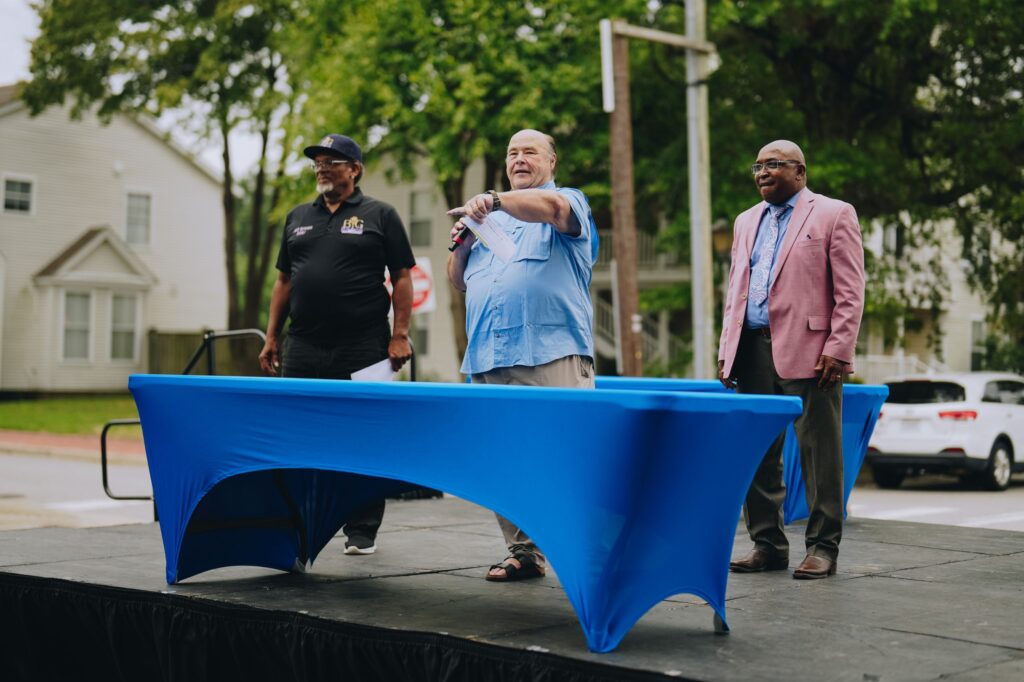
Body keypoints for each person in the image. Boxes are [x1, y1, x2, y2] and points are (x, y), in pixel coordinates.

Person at [447, 129, 598, 582]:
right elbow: (458, 280)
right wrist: (463, 244)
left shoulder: (567, 201)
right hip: (488, 355)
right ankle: (523, 553)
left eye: (530, 151)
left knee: (564, 455)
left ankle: (586, 553)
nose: (518, 159)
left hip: (551, 353)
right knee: (502, 459)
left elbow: (553, 209)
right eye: (512, 152)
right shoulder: (489, 221)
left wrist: (493, 201)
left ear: (552, 162)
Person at [258, 133, 415, 556]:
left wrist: (400, 335)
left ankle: (361, 529)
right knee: (296, 433)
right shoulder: (297, 217)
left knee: (363, 435)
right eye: (318, 162)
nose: (322, 168)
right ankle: (298, 524)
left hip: (363, 344)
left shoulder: (380, 214)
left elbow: (402, 277)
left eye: (332, 161)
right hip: (304, 343)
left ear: (355, 169)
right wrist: (272, 336)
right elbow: (283, 281)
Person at [718, 139, 865, 580]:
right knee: (758, 452)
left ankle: (822, 547)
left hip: (813, 353)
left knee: (819, 453)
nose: (763, 172)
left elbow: (851, 290)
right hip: (751, 349)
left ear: (800, 172)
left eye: (774, 164)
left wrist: (838, 347)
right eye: (757, 166)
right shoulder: (746, 221)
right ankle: (767, 544)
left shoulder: (834, 214)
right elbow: (736, 289)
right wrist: (727, 349)